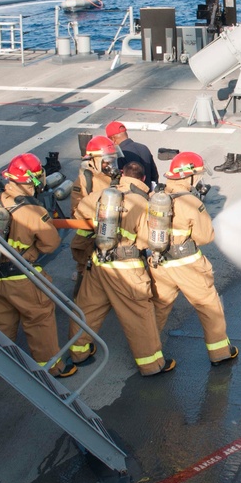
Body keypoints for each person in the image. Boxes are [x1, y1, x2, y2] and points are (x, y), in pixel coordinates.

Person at [0, 153, 76, 379]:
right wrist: (32, 251)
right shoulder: (33, 211)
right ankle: (52, 367)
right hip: (22, 279)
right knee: (39, 322)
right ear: (32, 180)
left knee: (1, 321)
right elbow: (51, 243)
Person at [68, 161, 174, 376]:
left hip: (97, 264)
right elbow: (148, 241)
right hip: (127, 268)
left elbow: (80, 226)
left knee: (88, 310)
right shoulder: (143, 203)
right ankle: (151, 365)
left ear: (122, 174)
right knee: (139, 315)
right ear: (143, 179)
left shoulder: (96, 197)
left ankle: (78, 352)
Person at [151, 152, 238, 365]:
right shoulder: (190, 202)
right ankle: (220, 353)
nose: (199, 179)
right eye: (197, 175)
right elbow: (205, 236)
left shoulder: (157, 196)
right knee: (209, 307)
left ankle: (150, 355)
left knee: (158, 309)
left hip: (160, 263)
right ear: (188, 176)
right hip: (187, 264)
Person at [69, 135, 120, 288]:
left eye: (112, 160)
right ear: (95, 160)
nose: (109, 164)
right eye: (106, 161)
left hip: (110, 234)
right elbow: (76, 211)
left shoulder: (115, 177)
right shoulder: (84, 180)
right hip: (89, 238)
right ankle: (79, 305)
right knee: (85, 272)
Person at [105, 121, 157, 187]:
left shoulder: (119, 155)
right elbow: (154, 175)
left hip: (130, 194)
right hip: (147, 192)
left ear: (113, 139)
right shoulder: (144, 148)